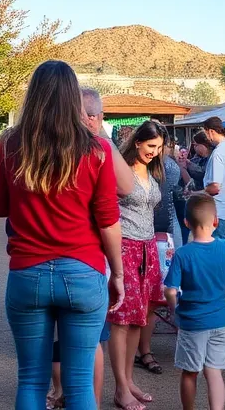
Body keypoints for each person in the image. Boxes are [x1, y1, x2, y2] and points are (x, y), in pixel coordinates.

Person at [0, 61, 124, 410]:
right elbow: (108, 220)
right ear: (71, 97)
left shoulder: (10, 144)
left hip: (27, 273)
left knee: (31, 381)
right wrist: (118, 273)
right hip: (82, 270)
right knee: (80, 385)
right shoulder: (95, 148)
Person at [47, 87, 134, 410]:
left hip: (45, 263)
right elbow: (119, 200)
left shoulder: (51, 144)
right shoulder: (92, 149)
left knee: (56, 351)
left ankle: (69, 396)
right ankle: (82, 399)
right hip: (86, 261)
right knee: (88, 344)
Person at [163, 193, 225, 410]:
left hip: (191, 323)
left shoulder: (183, 254)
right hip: (220, 321)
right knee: (214, 373)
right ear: (215, 220)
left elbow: (170, 290)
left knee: (190, 372)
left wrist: (174, 309)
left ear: (186, 223)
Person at [108, 120, 166, 410]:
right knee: (121, 319)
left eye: (159, 148)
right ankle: (120, 387)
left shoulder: (152, 171)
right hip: (125, 247)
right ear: (137, 142)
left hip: (147, 248)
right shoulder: (122, 170)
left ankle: (128, 380)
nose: (154, 152)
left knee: (138, 318)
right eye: (150, 146)